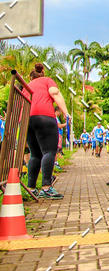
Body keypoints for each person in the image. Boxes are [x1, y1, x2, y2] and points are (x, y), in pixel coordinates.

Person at [25, 63, 70, 199]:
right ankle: (46, 187)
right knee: (49, 151)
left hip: (27, 118)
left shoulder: (27, 85)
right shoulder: (47, 80)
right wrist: (66, 113)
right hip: (44, 116)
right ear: (42, 73)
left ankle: (31, 188)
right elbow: (54, 93)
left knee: (35, 154)